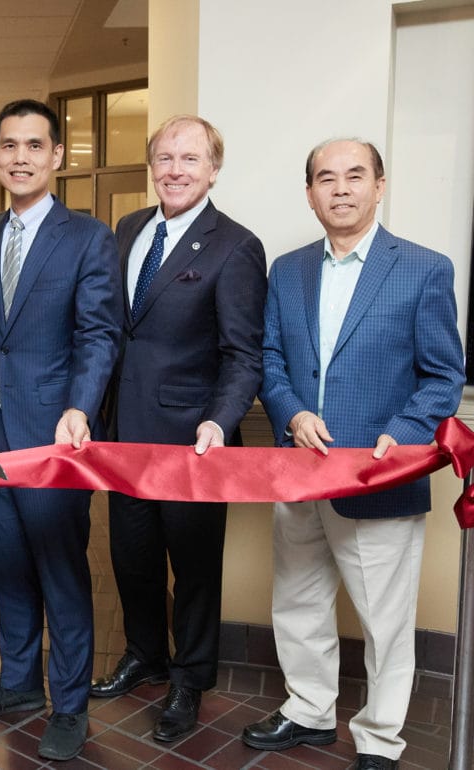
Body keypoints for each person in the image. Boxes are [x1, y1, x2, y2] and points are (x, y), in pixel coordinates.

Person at [243, 139, 464, 770]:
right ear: (309, 193)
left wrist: (406, 429)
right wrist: (291, 413)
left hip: (379, 474)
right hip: (301, 468)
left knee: (385, 620)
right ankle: (308, 711)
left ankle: (379, 738)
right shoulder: (287, 270)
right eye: (325, 178)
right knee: (297, 599)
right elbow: (272, 361)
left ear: (380, 185)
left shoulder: (424, 268)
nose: (340, 189)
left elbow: (443, 376)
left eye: (354, 176)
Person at [0, 99, 123, 761]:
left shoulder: (87, 237)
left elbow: (99, 334)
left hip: (54, 434)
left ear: (57, 157)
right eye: (8, 145)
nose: (20, 157)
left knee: (60, 568)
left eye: (34, 145)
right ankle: (19, 684)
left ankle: (70, 703)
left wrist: (81, 406)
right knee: (8, 567)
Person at [89, 115, 267, 742]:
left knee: (192, 567)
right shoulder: (130, 228)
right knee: (131, 558)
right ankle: (145, 655)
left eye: (190, 159)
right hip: (124, 434)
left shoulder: (235, 245)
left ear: (213, 169)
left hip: (194, 441)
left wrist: (220, 421)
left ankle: (189, 679)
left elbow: (245, 353)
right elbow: (118, 329)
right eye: (164, 158)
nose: (174, 170)